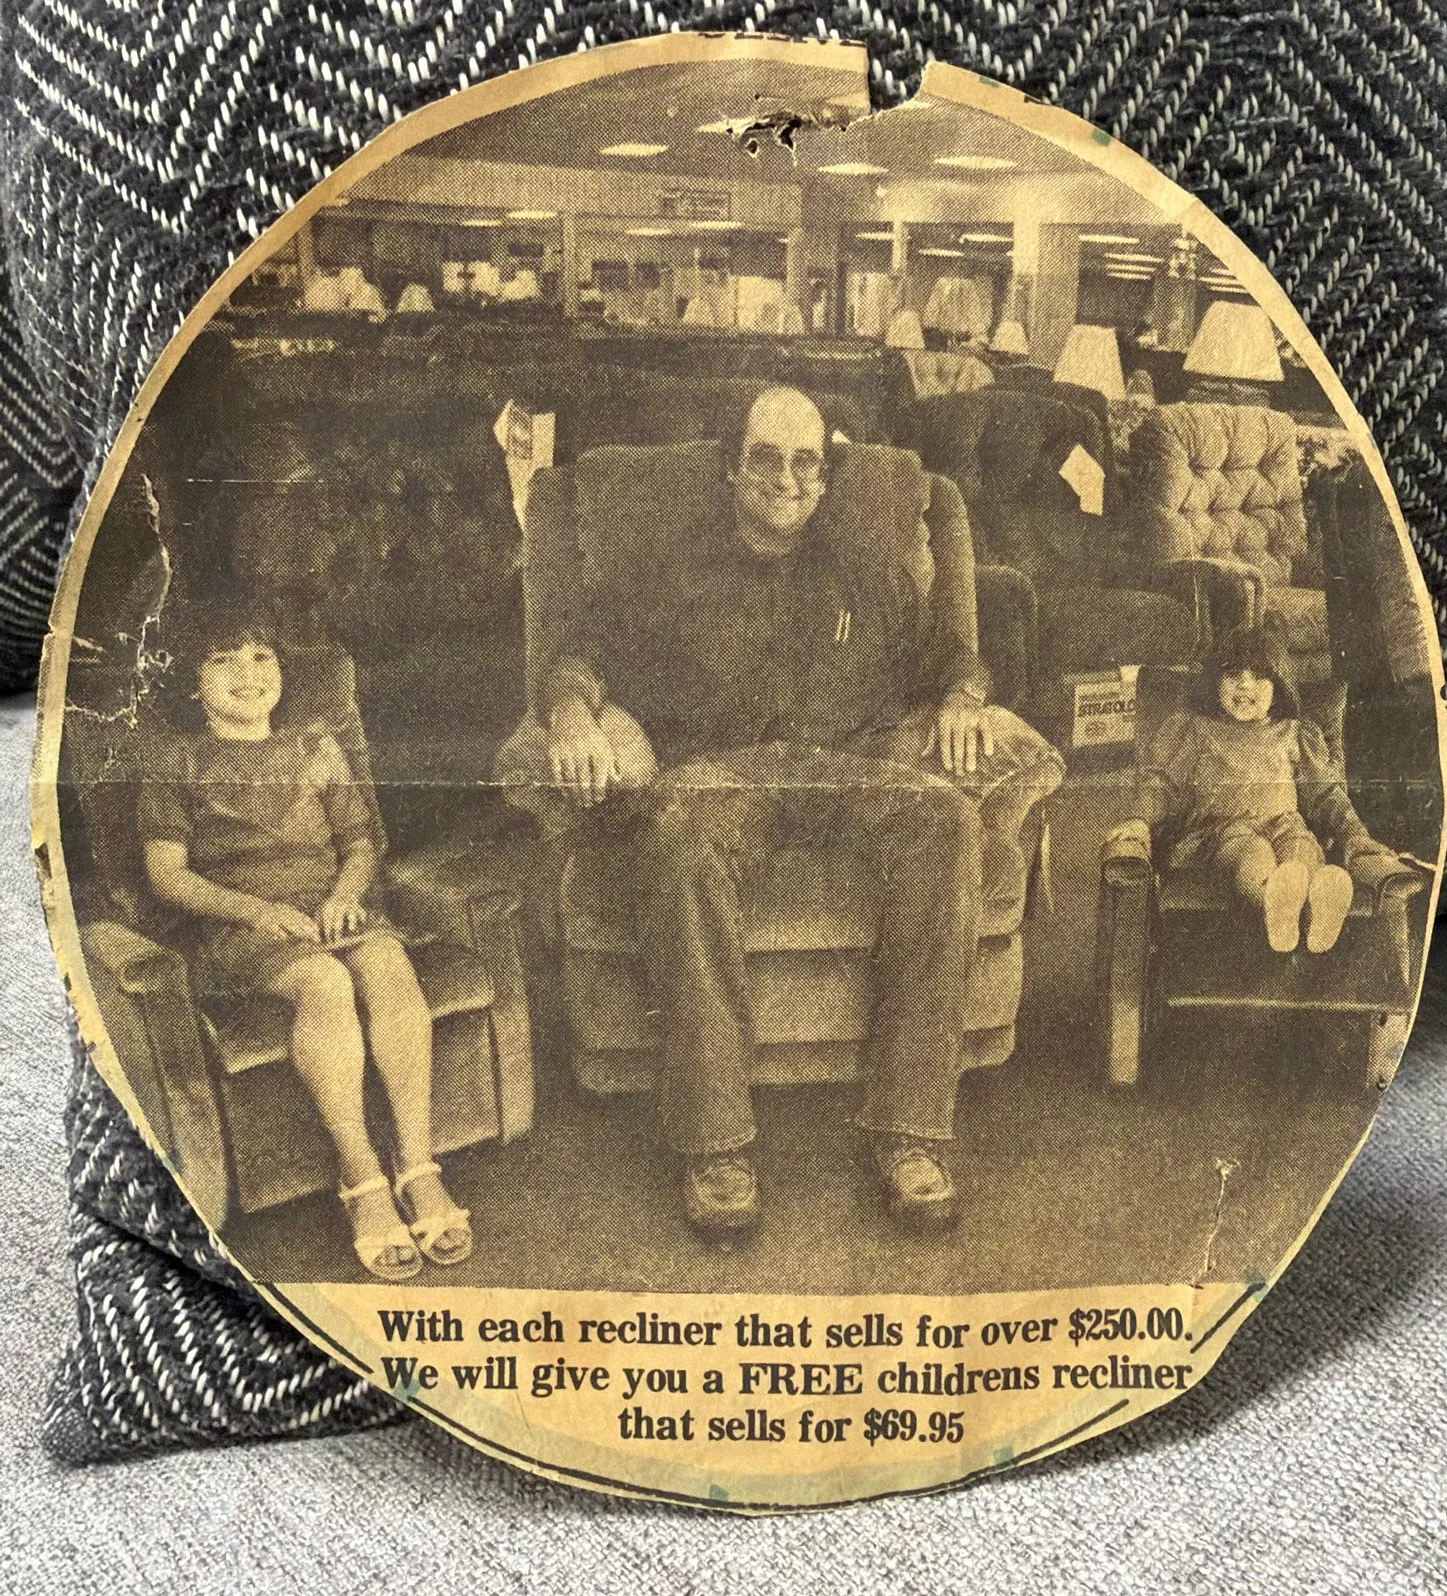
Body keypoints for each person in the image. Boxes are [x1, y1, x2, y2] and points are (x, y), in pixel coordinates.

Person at [522, 384, 1061, 1241]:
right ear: (733, 467)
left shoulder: (865, 566)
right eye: (766, 458)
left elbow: (951, 653)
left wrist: (963, 697)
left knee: (947, 823)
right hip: (719, 776)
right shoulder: (672, 568)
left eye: (805, 461)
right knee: (678, 835)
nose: (786, 478)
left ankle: (910, 1134)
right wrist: (575, 714)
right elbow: (581, 654)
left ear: (825, 474)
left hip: (851, 766)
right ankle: (717, 1147)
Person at [138, 610, 473, 1280]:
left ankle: (417, 1165)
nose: (248, 673)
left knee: (386, 962)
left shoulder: (316, 744)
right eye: (224, 659)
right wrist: (256, 909)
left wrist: (345, 897)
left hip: (334, 905)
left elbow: (359, 843)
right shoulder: (176, 760)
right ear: (193, 684)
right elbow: (166, 874)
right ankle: (363, 1180)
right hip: (244, 924)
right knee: (325, 982)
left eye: (262, 656)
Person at [1107, 624, 1389, 953]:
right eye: (1232, 673)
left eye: (1258, 675)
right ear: (1214, 683)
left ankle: (1317, 907)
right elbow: (1164, 785)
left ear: (1279, 686)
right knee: (1253, 853)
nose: (1244, 682)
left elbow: (1325, 795)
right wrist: (1140, 820)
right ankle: (1276, 905)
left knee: (1298, 853)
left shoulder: (1294, 733)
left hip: (1285, 824)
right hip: (1221, 830)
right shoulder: (1196, 729)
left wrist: (1354, 832)